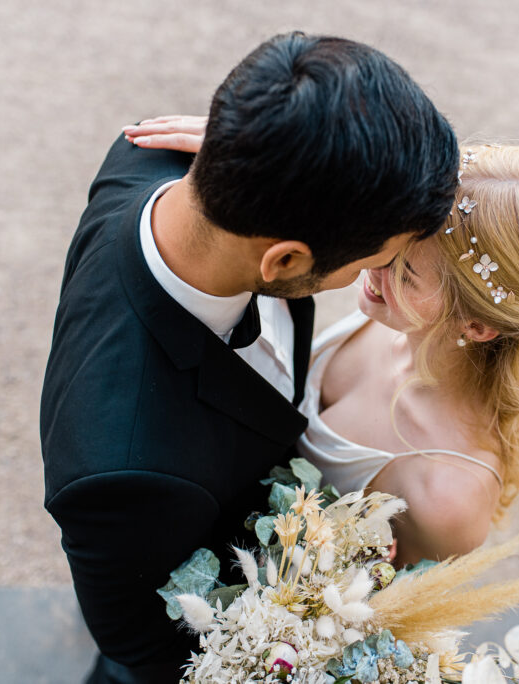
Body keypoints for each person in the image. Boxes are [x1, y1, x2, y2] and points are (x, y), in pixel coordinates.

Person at [40, 33, 458, 684]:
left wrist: (278, 156)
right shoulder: (124, 473)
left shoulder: (168, 164)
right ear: (286, 259)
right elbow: (149, 647)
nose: (375, 278)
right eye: (372, 262)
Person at [126, 121, 519, 567]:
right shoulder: (399, 310)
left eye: (405, 272)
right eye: (388, 238)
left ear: (477, 325)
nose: (371, 258)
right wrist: (251, 164)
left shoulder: (448, 498)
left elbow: (382, 623)